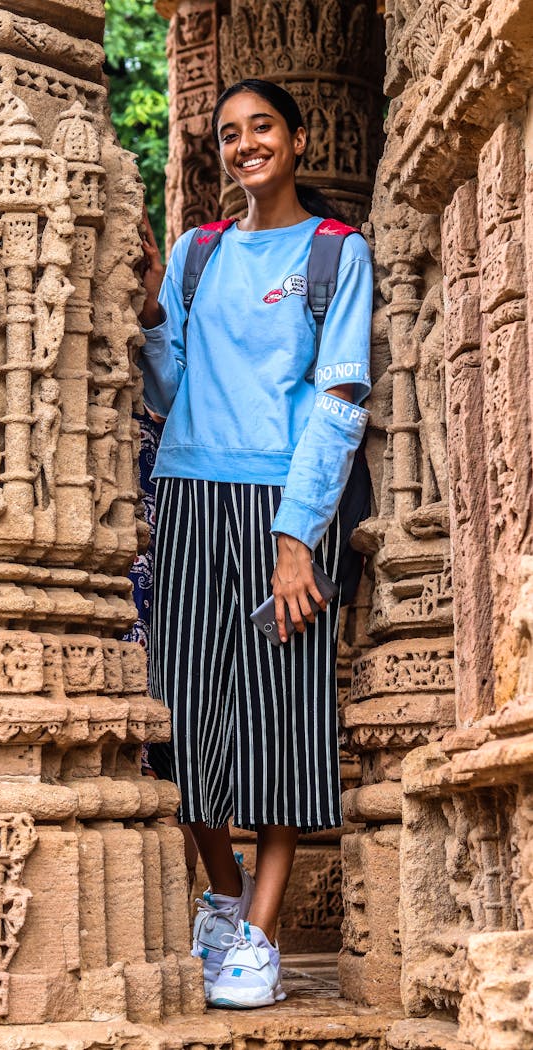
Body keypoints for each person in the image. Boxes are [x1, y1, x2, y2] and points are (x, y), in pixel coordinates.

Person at [138, 78, 372, 1009]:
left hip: (284, 511)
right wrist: (152, 317)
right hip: (191, 500)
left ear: (298, 138)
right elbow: (167, 391)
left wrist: (297, 538)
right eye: (230, 134)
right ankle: (224, 893)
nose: (245, 146)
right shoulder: (195, 255)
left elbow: (340, 400)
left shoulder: (334, 254)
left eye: (262, 127)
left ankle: (260, 943)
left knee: (281, 720)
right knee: (182, 721)